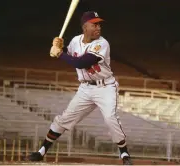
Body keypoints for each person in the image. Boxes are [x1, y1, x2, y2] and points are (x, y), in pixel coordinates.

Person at [28, 11, 133, 165]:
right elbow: (70, 55)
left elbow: (82, 62)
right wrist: (59, 48)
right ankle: (41, 151)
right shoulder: (76, 41)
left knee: (110, 118)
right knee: (64, 119)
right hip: (85, 88)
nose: (98, 27)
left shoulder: (102, 43)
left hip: (105, 87)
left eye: (99, 24)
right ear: (85, 27)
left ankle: (124, 154)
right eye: (94, 24)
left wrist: (59, 54)